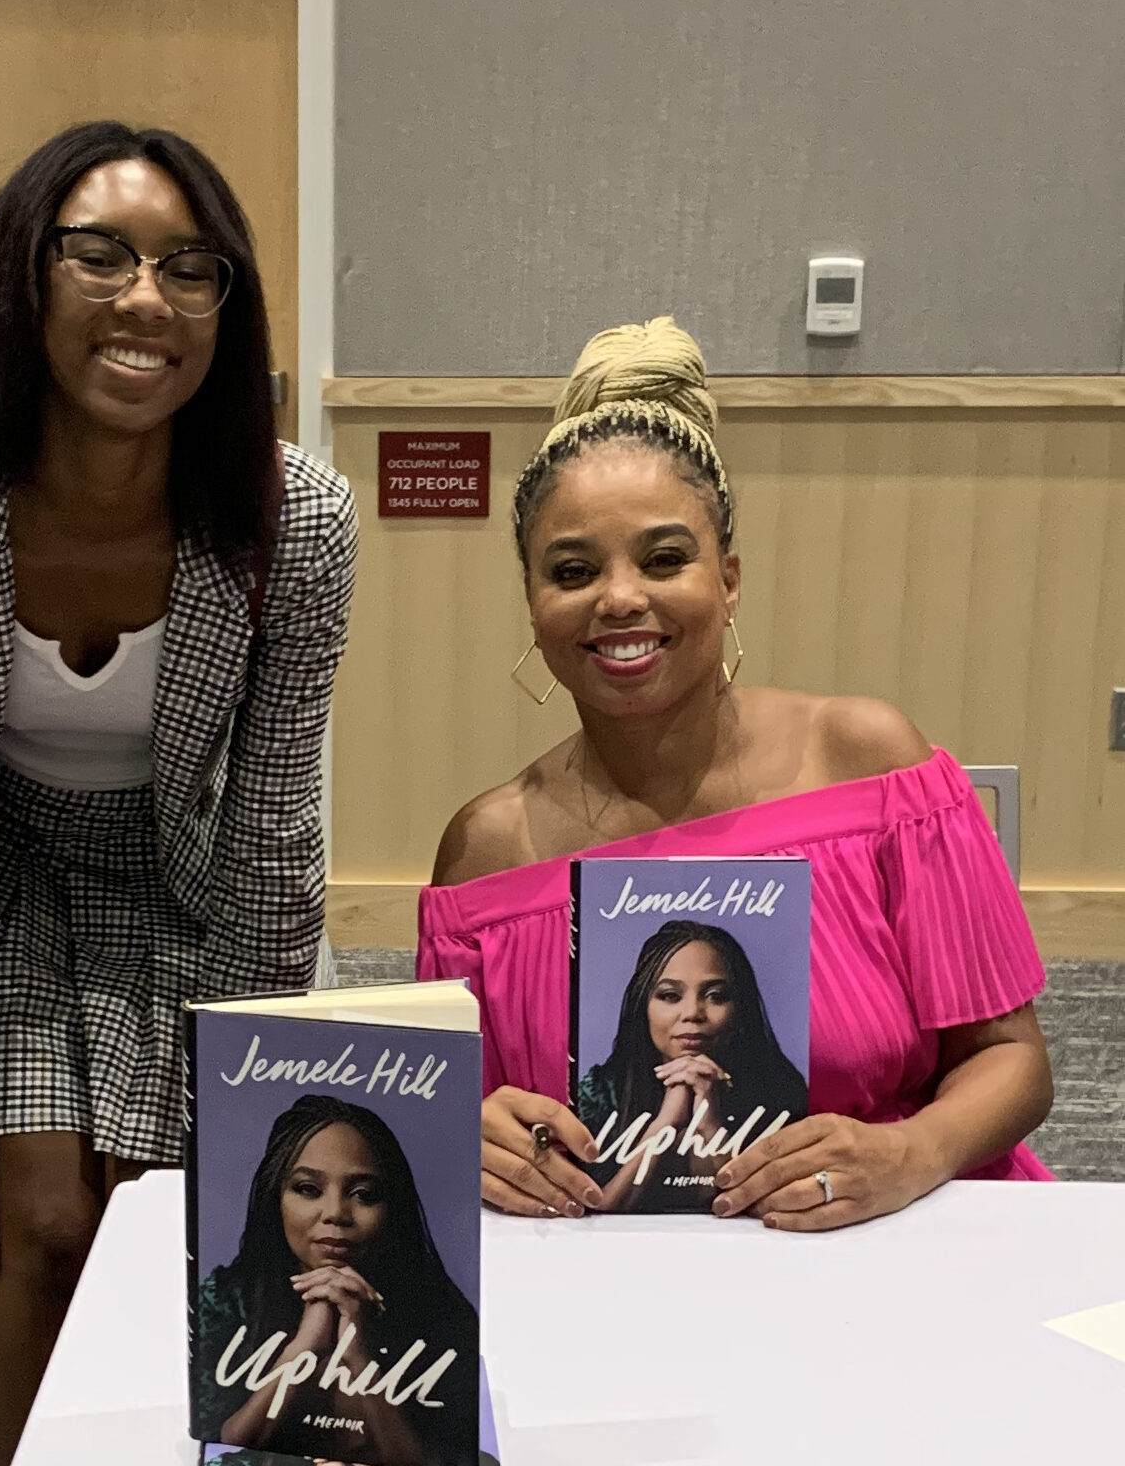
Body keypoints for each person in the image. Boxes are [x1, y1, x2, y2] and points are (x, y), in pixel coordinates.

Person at [0, 122, 357, 1466]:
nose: (146, 299)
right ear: (24, 278)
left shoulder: (288, 518)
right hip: (9, 880)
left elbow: (269, 828)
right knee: (47, 1221)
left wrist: (251, 1102)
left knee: (156, 1215)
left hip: (191, 888)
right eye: (100, 256)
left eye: (192, 269)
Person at [419, 317, 1053, 1232]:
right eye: (572, 569)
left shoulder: (868, 762)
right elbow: (444, 1125)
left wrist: (910, 1151)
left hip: (885, 1244)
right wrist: (466, 1133)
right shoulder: (486, 853)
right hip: (607, 1291)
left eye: (665, 558)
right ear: (532, 601)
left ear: (729, 577)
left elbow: (1013, 1060)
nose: (620, 597)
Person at [195, 1095, 479, 1466]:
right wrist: (303, 1348)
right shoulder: (227, 1299)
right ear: (274, 1195)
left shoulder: (442, 1314)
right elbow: (220, 1452)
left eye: (363, 1195)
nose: (335, 1214)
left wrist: (357, 1349)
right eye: (308, 1189)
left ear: (393, 1207)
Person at [576, 919, 809, 1212]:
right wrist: (664, 1124)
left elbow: (756, 1212)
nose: (692, 1013)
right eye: (670, 996)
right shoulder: (599, 1092)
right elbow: (595, 1212)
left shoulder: (780, 1091)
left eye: (716, 996)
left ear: (740, 1008)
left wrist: (709, 1123)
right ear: (642, 1006)